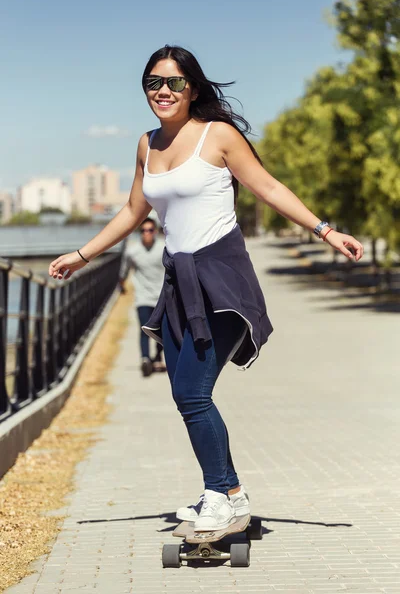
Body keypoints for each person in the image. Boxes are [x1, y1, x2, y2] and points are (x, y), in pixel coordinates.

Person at [48, 45, 363, 533]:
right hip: (179, 280)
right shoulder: (146, 144)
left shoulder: (218, 136)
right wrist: (82, 254)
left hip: (222, 276)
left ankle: (223, 492)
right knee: (183, 393)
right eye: (154, 82)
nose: (164, 91)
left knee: (194, 392)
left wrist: (326, 231)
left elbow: (269, 188)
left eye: (175, 82)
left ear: (193, 87)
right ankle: (227, 494)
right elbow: (133, 212)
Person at [127, 216, 165, 377]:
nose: (147, 233)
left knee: (161, 330)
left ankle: (157, 356)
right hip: (142, 297)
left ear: (155, 232)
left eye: (150, 230)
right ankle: (145, 359)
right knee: (144, 328)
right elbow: (124, 269)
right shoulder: (133, 252)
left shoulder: (164, 248)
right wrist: (121, 284)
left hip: (161, 297)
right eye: (143, 230)